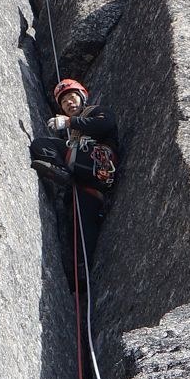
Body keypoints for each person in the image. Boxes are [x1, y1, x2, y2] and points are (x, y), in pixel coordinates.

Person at [30, 78, 119, 273]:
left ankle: (62, 172)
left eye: (72, 98)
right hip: (92, 181)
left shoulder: (96, 112)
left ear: (82, 97)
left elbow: (106, 124)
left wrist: (70, 122)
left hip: (96, 161)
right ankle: (81, 271)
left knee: (41, 145)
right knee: (81, 223)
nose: (69, 103)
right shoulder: (76, 133)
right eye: (64, 102)